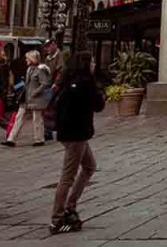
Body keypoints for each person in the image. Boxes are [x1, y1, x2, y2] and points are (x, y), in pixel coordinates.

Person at [50, 51, 105, 234]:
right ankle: (57, 217)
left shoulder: (67, 81)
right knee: (68, 176)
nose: (94, 65)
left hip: (69, 133)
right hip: (77, 134)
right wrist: (99, 92)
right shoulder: (85, 83)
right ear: (86, 64)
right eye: (92, 62)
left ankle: (70, 205)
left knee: (89, 166)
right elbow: (98, 105)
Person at [42, 39, 65, 141]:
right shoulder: (48, 58)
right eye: (46, 47)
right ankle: (48, 130)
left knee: (51, 108)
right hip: (48, 85)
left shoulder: (59, 56)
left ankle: (50, 130)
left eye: (48, 46)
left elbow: (61, 71)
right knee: (48, 109)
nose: (47, 49)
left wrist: (56, 83)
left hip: (55, 86)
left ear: (54, 44)